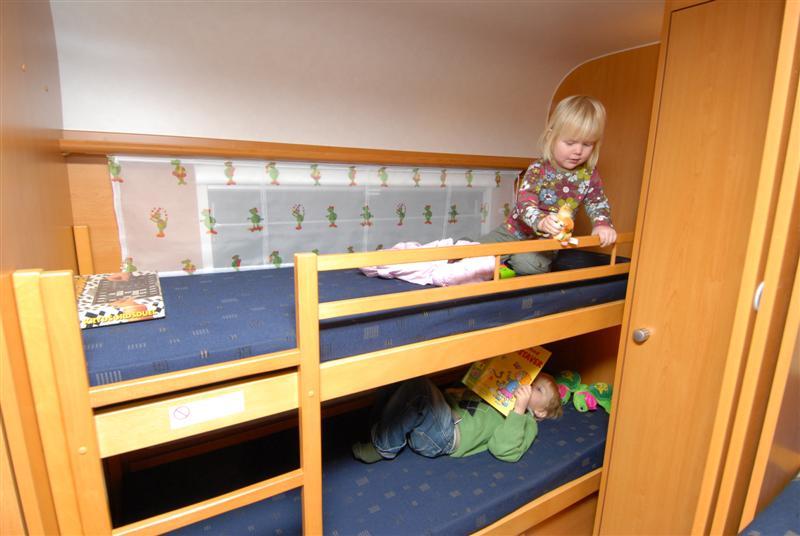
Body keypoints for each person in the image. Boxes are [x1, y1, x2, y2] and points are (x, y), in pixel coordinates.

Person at [480, 95, 617, 275]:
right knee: (472, 252)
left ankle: (509, 260)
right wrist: (540, 221)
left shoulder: (589, 175)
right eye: (570, 143)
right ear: (551, 136)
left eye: (587, 144)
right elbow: (524, 203)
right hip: (513, 230)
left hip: (547, 241)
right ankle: (484, 252)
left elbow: (597, 202)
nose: (578, 151)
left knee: (527, 263)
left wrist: (602, 224)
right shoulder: (539, 169)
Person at [351, 373, 562, 464]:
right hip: (438, 419)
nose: (529, 386)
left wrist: (519, 410)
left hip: (448, 436)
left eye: (538, 389)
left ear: (541, 412)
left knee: (419, 387)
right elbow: (468, 404)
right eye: (531, 380)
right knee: (401, 377)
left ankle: (384, 447)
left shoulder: (527, 421)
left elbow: (504, 450)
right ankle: (381, 427)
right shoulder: (504, 395)